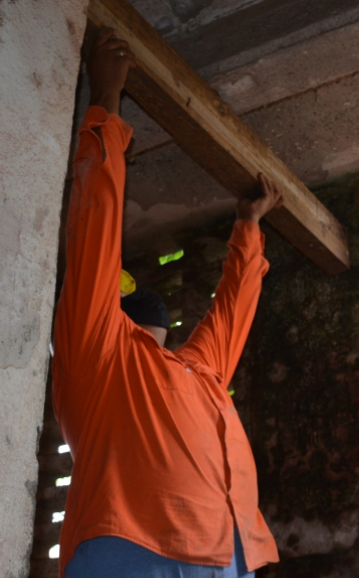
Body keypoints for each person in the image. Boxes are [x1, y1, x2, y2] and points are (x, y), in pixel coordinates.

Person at [51, 29, 282, 578]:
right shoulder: (101, 350)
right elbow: (96, 228)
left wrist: (248, 226)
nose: (161, 333)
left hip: (233, 556)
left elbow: (233, 310)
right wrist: (105, 101)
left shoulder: (197, 370)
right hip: (134, 547)